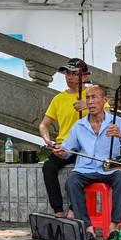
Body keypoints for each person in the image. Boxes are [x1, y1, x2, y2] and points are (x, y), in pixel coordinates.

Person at [53, 83, 121, 240]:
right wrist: (60, 151)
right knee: (71, 183)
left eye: (94, 97)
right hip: (84, 169)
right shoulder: (79, 126)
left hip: (109, 169)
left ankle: (113, 227)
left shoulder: (118, 122)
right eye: (88, 98)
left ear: (105, 100)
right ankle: (88, 229)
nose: (90, 102)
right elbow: (66, 151)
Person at [39, 58, 92, 218]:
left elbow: (107, 116)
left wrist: (88, 105)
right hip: (65, 145)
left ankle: (73, 209)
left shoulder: (92, 94)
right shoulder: (59, 98)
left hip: (86, 146)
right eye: (67, 73)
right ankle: (58, 211)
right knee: (48, 167)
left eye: (74, 74)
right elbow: (43, 125)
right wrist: (48, 140)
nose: (69, 77)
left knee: (83, 171)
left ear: (84, 76)